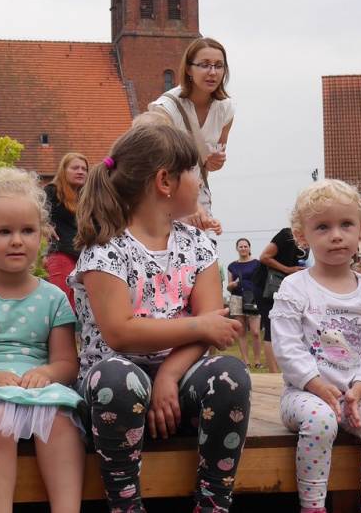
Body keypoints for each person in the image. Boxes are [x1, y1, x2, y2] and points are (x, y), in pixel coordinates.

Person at [70, 124, 251, 513]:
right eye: (194, 173)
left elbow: (213, 325)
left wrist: (169, 375)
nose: (200, 183)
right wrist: (199, 325)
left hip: (179, 383)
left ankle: (213, 503)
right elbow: (120, 333)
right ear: (165, 181)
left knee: (231, 374)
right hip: (113, 393)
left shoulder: (198, 244)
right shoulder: (106, 249)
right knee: (118, 378)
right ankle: (126, 505)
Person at [0, 167, 84, 513]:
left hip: (39, 391)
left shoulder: (53, 298)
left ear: (44, 235)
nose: (17, 240)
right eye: (4, 231)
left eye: (27, 230)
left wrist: (47, 374)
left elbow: (67, 363)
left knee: (61, 423)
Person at [271, 179, 361, 513]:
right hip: (303, 395)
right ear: (302, 236)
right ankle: (313, 506)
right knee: (321, 421)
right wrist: (316, 385)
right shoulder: (295, 287)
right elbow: (286, 347)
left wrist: (359, 389)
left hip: (357, 396)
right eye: (323, 227)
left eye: (346, 224)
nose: (336, 235)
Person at [148, 37, 234, 233]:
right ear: (188, 69)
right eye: (204, 65)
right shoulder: (166, 108)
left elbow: (209, 164)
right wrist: (191, 205)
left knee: (200, 249)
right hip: (167, 195)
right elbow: (156, 164)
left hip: (197, 193)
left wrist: (214, 162)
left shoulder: (226, 109)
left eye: (219, 66)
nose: (212, 72)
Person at [259, 228, 307, 373]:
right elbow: (264, 257)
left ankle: (289, 368)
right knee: (271, 326)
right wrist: (287, 269)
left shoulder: (312, 238)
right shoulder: (286, 235)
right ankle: (273, 372)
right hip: (266, 285)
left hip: (287, 285)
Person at [44, 152, 89, 303]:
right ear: (64, 171)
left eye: (84, 169)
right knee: (63, 304)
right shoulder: (52, 191)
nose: (80, 172)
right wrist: (43, 224)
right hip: (62, 253)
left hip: (84, 257)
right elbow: (31, 209)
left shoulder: (86, 196)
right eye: (75, 168)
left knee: (82, 304)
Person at [228, 238, 263, 369]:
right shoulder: (232, 266)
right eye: (241, 247)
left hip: (254, 298)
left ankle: (258, 361)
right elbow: (228, 287)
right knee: (241, 332)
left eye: (245, 246)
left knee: (256, 332)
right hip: (237, 298)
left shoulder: (257, 263)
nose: (243, 249)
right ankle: (246, 362)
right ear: (237, 249)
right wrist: (232, 285)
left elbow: (261, 281)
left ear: (249, 248)